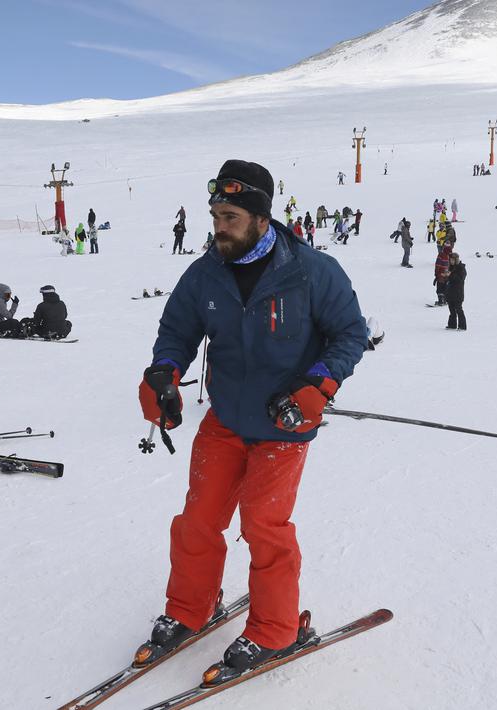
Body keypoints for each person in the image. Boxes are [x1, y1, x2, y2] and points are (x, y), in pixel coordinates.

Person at [134, 158, 366, 685]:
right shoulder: (205, 273)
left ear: (262, 218)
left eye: (231, 217)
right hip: (226, 419)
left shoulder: (312, 272)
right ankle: (190, 607)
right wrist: (164, 373)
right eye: (216, 215)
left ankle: (276, 630)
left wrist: (319, 385)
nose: (220, 227)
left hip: (284, 425)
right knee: (198, 518)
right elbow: (177, 331)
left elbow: (350, 334)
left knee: (263, 525)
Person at [444, 253, 467, 330]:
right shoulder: (450, 267)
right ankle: (452, 325)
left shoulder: (461, 268)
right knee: (452, 310)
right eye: (450, 260)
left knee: (458, 309)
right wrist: (445, 276)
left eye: (452, 260)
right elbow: (449, 280)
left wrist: (451, 275)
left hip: (458, 293)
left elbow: (460, 279)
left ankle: (462, 326)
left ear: (456, 260)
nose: (451, 261)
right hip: (450, 293)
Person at [434, 239, 453, 305]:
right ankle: (445, 300)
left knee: (440, 287)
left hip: (441, 274)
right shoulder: (451, 255)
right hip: (448, 274)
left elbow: (438, 264)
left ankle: (441, 300)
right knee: (445, 287)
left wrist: (436, 273)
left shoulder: (441, 254)